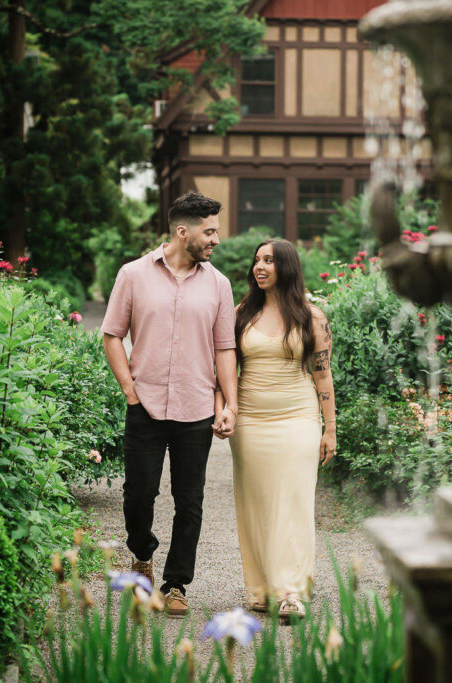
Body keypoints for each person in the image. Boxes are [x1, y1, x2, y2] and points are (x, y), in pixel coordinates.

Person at [100, 192, 238, 617]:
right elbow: (111, 335)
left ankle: (176, 584)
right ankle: (141, 552)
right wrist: (129, 390)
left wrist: (230, 405)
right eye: (209, 231)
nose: (216, 239)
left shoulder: (219, 284)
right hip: (145, 405)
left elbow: (225, 348)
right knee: (138, 495)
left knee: (189, 501)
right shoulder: (133, 274)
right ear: (183, 231)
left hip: (196, 407)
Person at [219, 238, 336, 620]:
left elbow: (323, 375)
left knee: (294, 502)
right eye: (257, 260)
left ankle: (291, 592)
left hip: (299, 417)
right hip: (251, 421)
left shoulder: (311, 317)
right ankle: (260, 590)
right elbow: (224, 370)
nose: (260, 266)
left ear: (286, 266)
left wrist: (330, 429)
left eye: (269, 260)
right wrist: (225, 410)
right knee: (255, 502)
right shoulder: (241, 313)